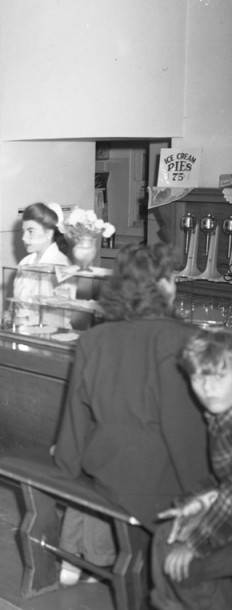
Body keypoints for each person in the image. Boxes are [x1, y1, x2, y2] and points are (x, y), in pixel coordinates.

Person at [53, 243, 211, 585]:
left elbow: (75, 422)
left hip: (105, 469)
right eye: (171, 278)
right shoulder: (185, 340)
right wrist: (203, 495)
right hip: (156, 484)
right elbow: (184, 433)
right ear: (164, 285)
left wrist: (66, 473)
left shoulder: (93, 339)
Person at [150, 329, 232, 609]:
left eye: (219, 376)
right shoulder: (220, 417)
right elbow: (225, 479)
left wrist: (195, 545)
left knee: (186, 568)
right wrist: (195, 502)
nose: (207, 388)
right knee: (166, 535)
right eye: (199, 377)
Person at [12, 202, 73, 329]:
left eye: (30, 231)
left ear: (49, 233)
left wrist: (22, 320)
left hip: (51, 337)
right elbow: (17, 307)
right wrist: (8, 315)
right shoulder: (24, 263)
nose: (24, 238)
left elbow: (58, 318)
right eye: (23, 232)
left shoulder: (61, 266)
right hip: (25, 334)